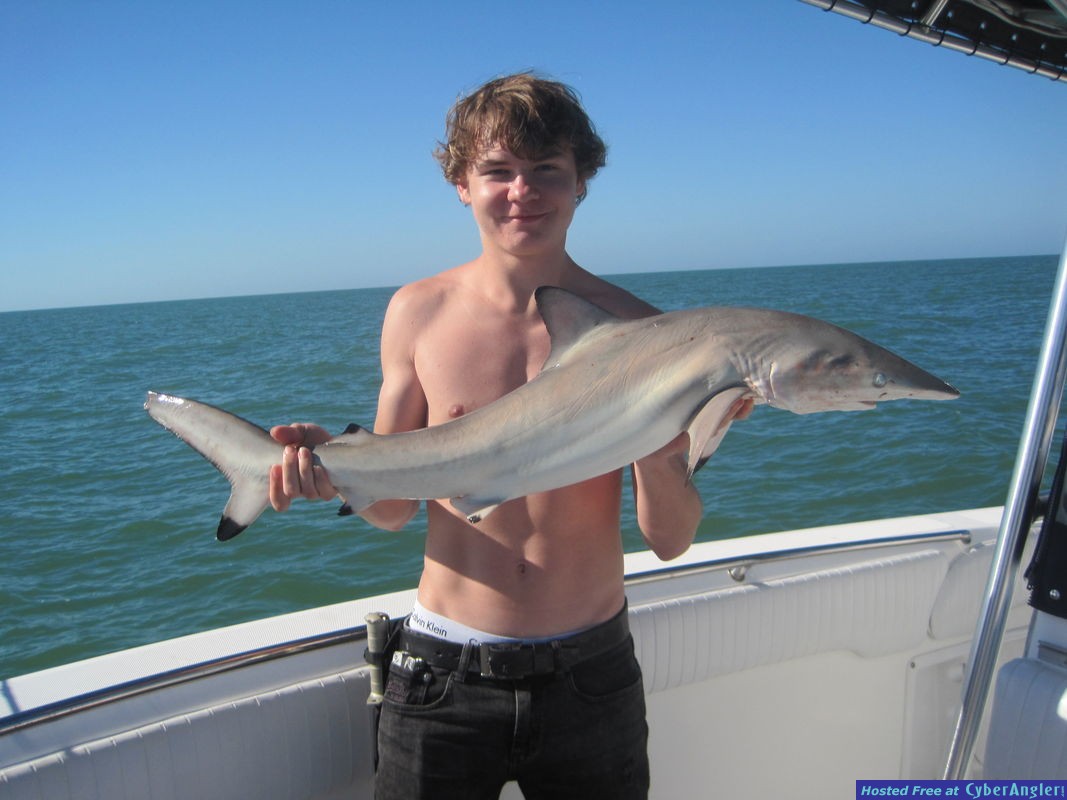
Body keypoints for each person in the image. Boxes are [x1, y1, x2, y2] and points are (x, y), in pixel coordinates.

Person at [267, 72, 750, 800]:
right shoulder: (418, 313)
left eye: (546, 171)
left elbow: (670, 537)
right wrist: (328, 468)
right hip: (441, 676)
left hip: (592, 675)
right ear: (461, 183)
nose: (521, 191)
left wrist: (666, 436)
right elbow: (394, 507)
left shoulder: (647, 335)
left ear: (582, 182)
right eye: (497, 171)